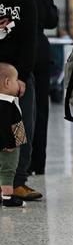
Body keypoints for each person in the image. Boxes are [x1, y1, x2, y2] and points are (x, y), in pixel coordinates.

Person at [0, 0, 42, 201]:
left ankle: (17, 182)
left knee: (21, 128)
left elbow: (30, 38)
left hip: (18, 77)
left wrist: (22, 76)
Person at [14, 0, 59, 175]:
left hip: (16, 58)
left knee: (17, 114)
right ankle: (36, 162)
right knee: (40, 112)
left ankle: (19, 162)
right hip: (40, 55)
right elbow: (52, 21)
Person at [0, 63, 27, 208]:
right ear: (7, 82)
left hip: (8, 142)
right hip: (8, 145)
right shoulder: (4, 104)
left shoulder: (7, 101)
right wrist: (9, 144)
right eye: (17, 81)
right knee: (8, 170)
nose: (18, 84)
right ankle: (8, 197)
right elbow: (4, 127)